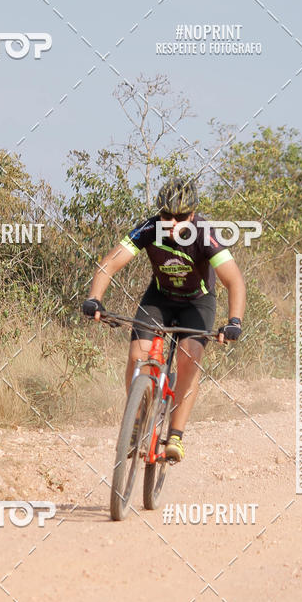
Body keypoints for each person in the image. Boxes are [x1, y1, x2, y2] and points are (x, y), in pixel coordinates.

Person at [82, 176, 246, 461]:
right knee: (138, 354)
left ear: (192, 215)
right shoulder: (149, 228)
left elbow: (235, 282)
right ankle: (136, 419)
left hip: (197, 302)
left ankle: (176, 435)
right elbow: (110, 263)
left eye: (180, 217)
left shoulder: (205, 234)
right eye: (166, 215)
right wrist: (94, 298)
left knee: (188, 356)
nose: (171, 223)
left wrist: (234, 321)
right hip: (160, 299)